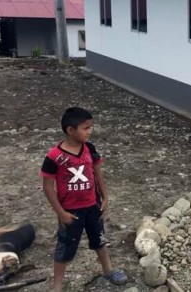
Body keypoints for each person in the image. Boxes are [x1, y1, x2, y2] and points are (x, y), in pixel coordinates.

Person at [40, 107, 127, 291]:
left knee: (100, 239)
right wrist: (61, 213)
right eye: (86, 128)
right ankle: (57, 286)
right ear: (70, 130)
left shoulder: (90, 148)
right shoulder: (54, 156)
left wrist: (105, 197)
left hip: (93, 205)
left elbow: (97, 173)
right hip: (71, 211)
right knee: (65, 247)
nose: (90, 131)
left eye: (91, 127)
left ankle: (108, 269)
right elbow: (48, 187)